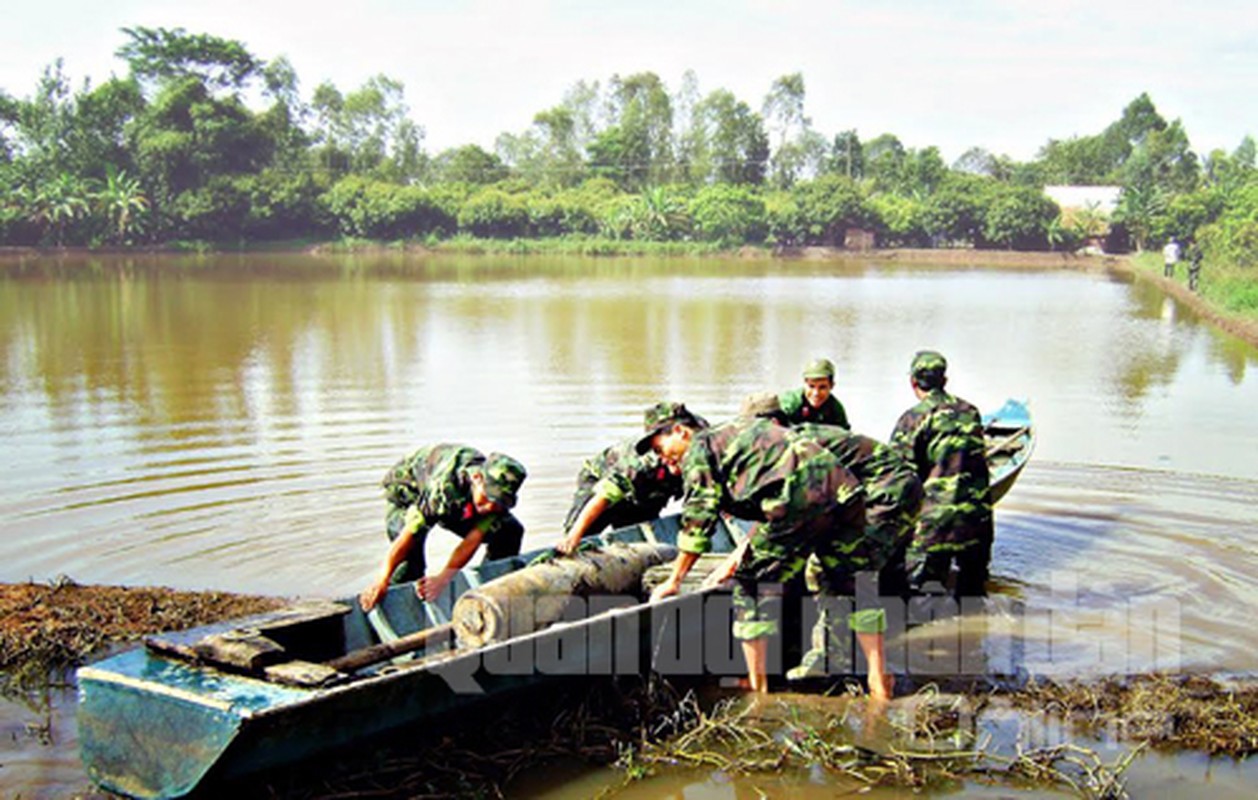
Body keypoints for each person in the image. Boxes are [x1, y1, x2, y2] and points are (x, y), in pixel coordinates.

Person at [640, 401, 890, 700]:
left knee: (748, 587)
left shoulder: (698, 450)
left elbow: (699, 517)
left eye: (660, 448)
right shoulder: (737, 430)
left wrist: (674, 580)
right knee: (852, 584)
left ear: (680, 431)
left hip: (796, 501)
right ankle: (880, 679)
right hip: (844, 492)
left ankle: (757, 686)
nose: (662, 459)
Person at [741, 391, 922, 599]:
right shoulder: (791, 439)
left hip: (888, 495)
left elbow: (789, 507)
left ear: (772, 422)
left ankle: (847, 629)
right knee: (885, 570)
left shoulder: (795, 446)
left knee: (835, 568)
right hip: (889, 490)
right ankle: (904, 624)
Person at [360, 444, 527, 611]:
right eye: (488, 498)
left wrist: (443, 578)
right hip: (408, 495)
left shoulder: (495, 499)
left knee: (509, 531)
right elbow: (409, 534)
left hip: (460, 501)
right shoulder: (444, 489)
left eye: (498, 502)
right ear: (477, 478)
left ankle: (491, 595)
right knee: (410, 563)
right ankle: (396, 610)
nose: (491, 507)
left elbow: (473, 539)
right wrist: (382, 579)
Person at [889, 351, 993, 599]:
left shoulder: (913, 419)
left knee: (921, 602)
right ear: (944, 380)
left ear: (913, 382)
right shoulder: (971, 412)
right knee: (972, 599)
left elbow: (899, 478)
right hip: (978, 521)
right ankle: (973, 636)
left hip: (935, 526)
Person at [556, 422, 705, 555]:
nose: (672, 462)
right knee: (580, 536)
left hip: (647, 493)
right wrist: (574, 535)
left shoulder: (704, 444)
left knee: (638, 539)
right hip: (602, 481)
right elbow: (604, 496)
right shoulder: (643, 464)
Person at [778, 357, 850, 428]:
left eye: (822, 387)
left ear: (831, 386)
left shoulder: (835, 409)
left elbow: (846, 434)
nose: (816, 393)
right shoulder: (791, 402)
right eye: (811, 386)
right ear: (804, 384)